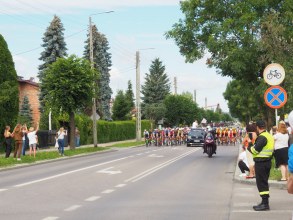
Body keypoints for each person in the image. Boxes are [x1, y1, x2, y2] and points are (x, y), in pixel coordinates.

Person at [247, 120, 274, 211]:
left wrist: (249, 144)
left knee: (261, 183)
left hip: (261, 163)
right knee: (264, 182)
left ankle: (265, 204)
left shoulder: (262, 137)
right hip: (266, 162)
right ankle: (264, 202)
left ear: (258, 127)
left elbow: (254, 150)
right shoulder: (268, 135)